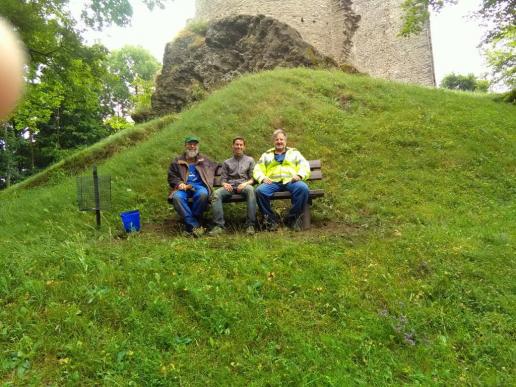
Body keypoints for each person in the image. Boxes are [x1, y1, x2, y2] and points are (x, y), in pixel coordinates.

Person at [254, 128, 310, 231]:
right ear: (273, 141)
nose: (279, 141)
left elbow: (304, 165)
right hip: (272, 182)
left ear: (285, 141)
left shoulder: (294, 153)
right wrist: (262, 178)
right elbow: (257, 169)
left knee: (303, 188)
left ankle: (292, 219)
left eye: (281, 139)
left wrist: (299, 175)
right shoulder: (266, 155)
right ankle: (271, 221)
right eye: (277, 139)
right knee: (259, 191)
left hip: (291, 181)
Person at [168, 135, 217, 236]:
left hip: (199, 187)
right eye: (190, 144)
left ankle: (190, 226)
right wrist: (179, 183)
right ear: (185, 145)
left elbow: (218, 166)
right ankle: (195, 226)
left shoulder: (204, 160)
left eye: (194, 144)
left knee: (203, 194)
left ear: (197, 146)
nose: (192, 146)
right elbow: (171, 176)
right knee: (177, 197)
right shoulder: (177, 161)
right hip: (183, 187)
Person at [209, 136, 256, 235]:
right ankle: (219, 226)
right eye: (236, 144)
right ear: (233, 146)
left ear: (244, 147)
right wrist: (224, 184)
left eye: (241, 145)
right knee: (216, 194)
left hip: (244, 186)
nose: (238, 147)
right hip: (230, 187)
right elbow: (223, 179)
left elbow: (253, 179)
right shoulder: (227, 162)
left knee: (251, 190)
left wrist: (245, 184)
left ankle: (250, 225)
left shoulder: (250, 160)